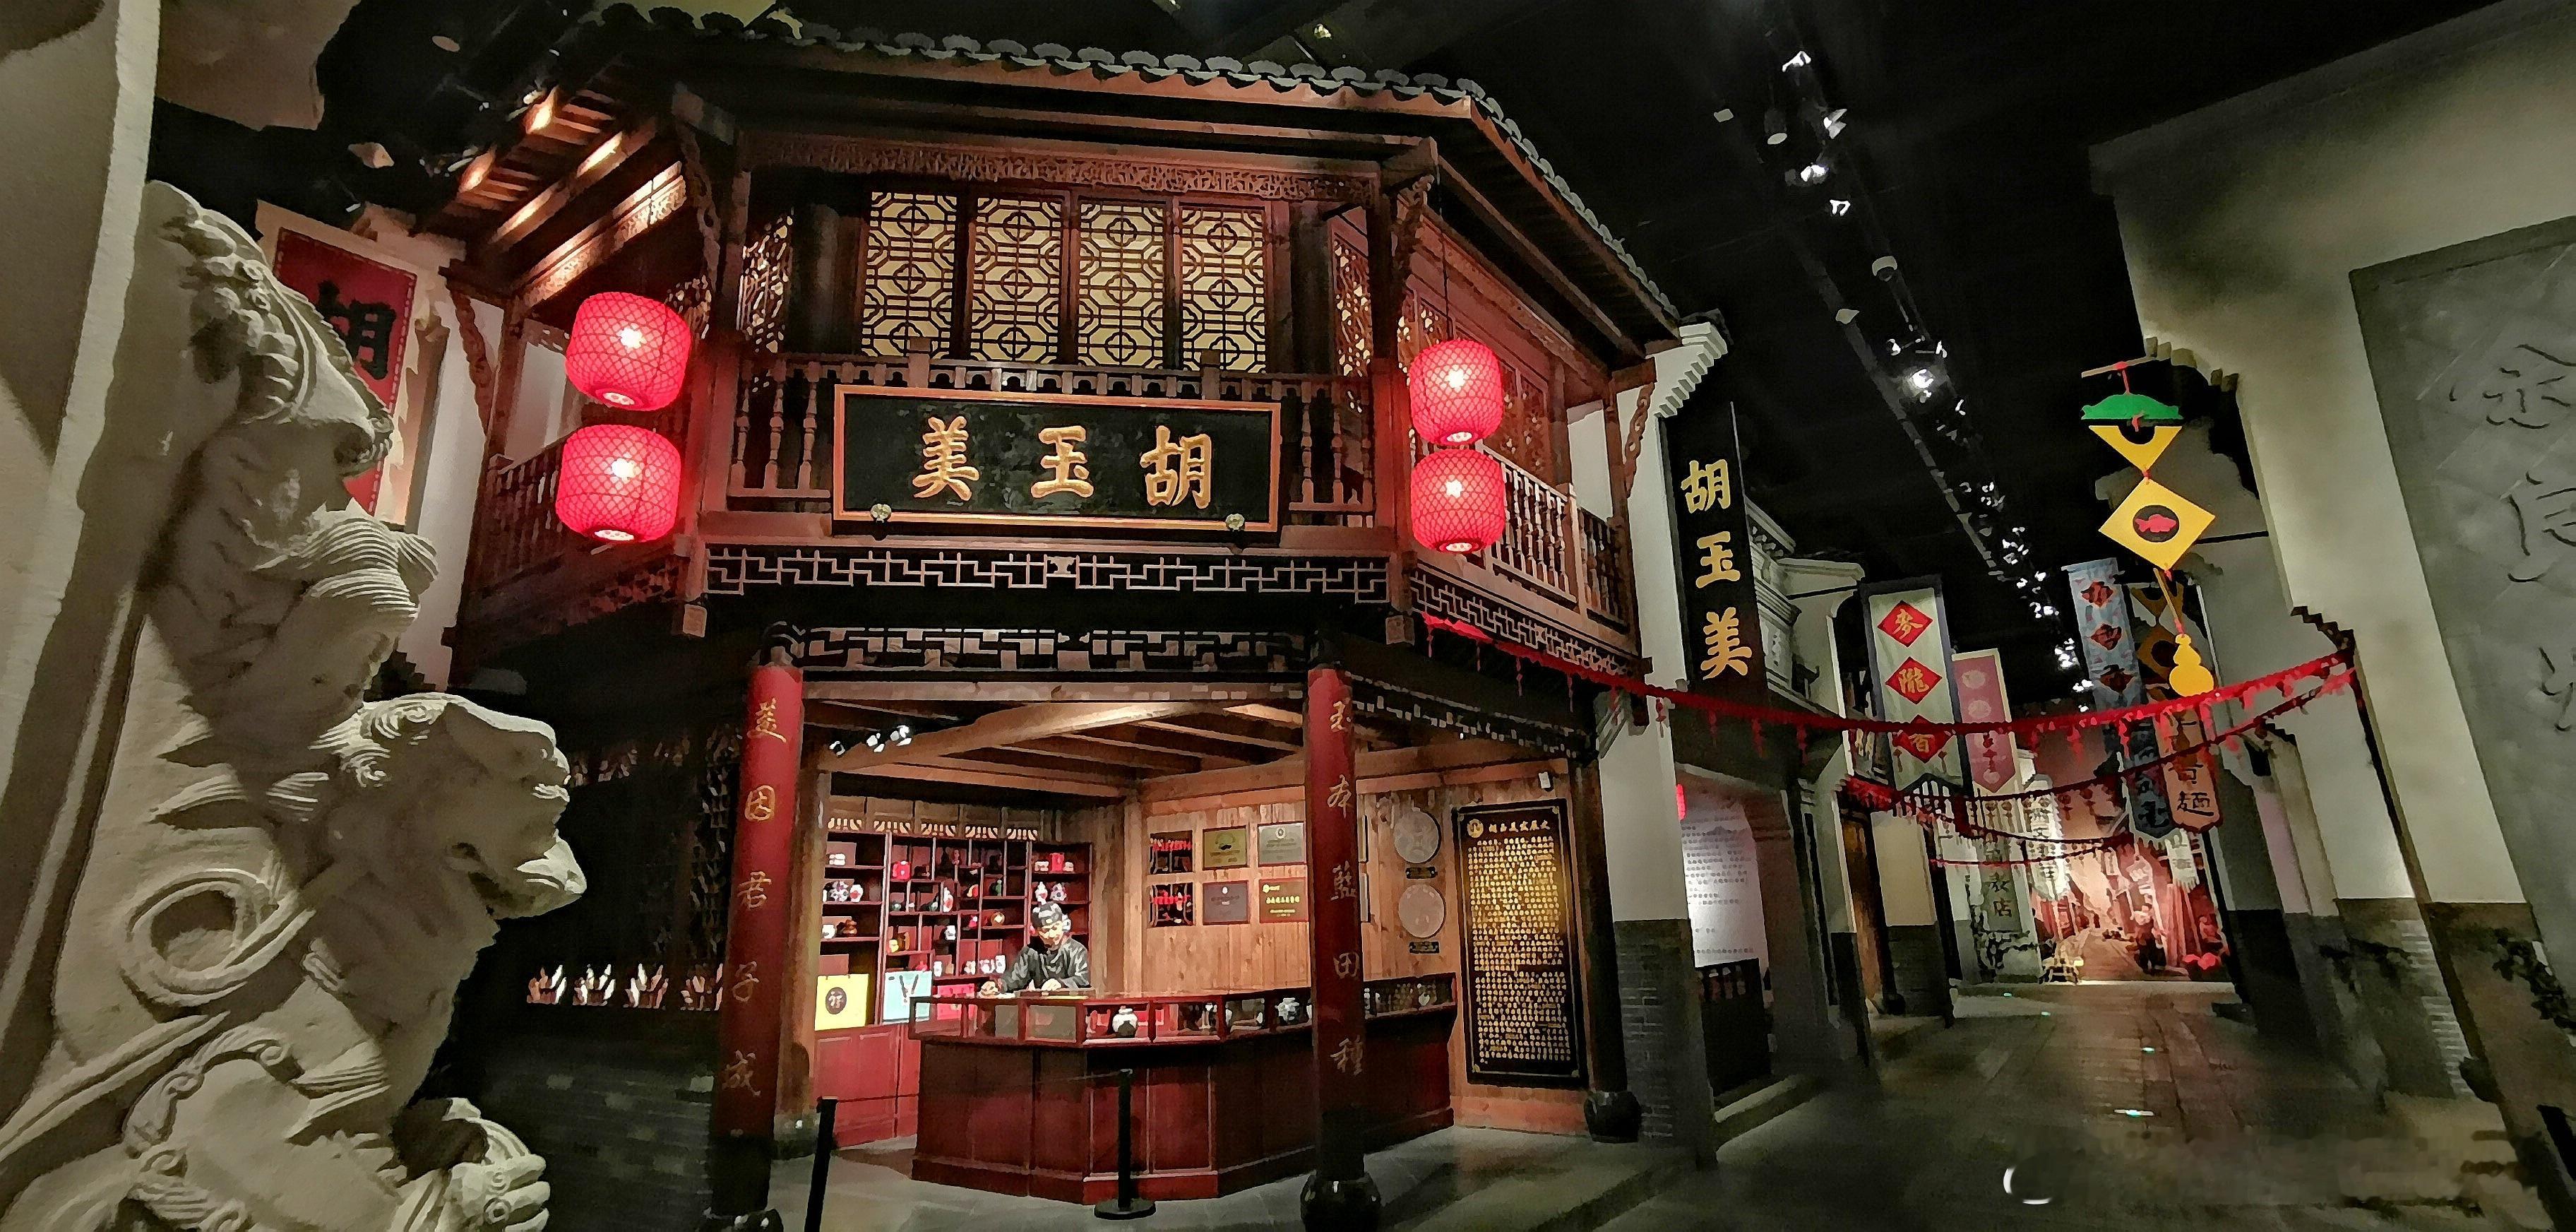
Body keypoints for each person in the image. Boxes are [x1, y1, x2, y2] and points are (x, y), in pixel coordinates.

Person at [983, 901, 1089, 995]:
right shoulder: (1031, 952)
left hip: (1071, 1006)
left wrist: (1061, 983)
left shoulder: (1077, 950)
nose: (1052, 935)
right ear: (1037, 931)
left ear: (1062, 924)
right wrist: (997, 985)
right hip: (1040, 1006)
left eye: (1055, 928)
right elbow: (1015, 978)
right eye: (1045, 931)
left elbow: (1082, 980)